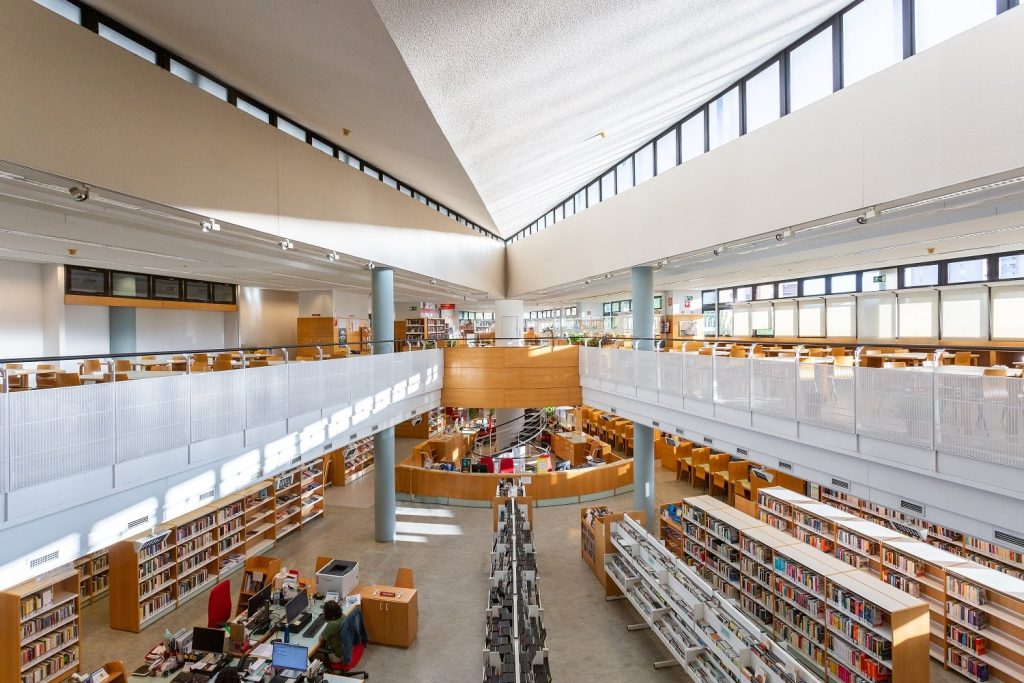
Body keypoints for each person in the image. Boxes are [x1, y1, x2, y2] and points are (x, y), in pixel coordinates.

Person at [317, 599, 346, 664]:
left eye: (324, 612)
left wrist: (328, 624)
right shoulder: (343, 616)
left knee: (313, 654)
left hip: (338, 656)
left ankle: (327, 671)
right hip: (347, 650)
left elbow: (321, 639)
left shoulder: (332, 624)